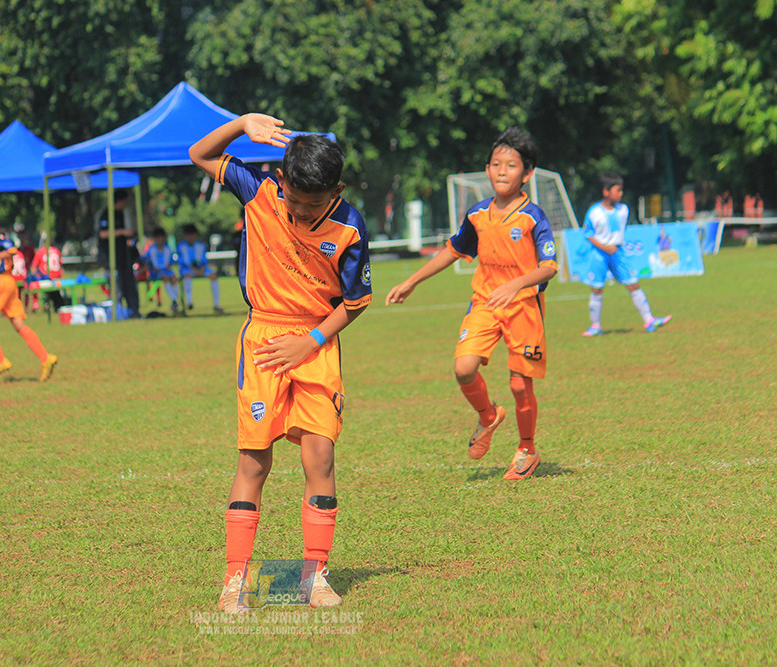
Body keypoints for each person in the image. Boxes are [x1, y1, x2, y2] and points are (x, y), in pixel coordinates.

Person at [190, 114, 372, 612]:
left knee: (321, 456)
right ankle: (235, 582)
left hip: (316, 343)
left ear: (335, 191)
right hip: (264, 341)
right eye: (293, 197)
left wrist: (310, 340)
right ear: (283, 180)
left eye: (313, 203)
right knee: (255, 459)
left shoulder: (351, 225)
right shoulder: (260, 191)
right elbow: (200, 155)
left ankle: (315, 576)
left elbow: (355, 302)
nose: (298, 209)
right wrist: (240, 123)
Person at [386, 127, 558, 482]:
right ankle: (488, 416)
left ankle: (527, 449)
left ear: (527, 174)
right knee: (463, 368)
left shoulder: (533, 217)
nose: (501, 171)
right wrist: (411, 281)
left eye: (510, 166)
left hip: (524, 305)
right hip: (484, 303)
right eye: (495, 164)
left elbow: (549, 266)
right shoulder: (478, 214)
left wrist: (517, 284)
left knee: (519, 385)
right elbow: (452, 250)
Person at [0, 202, 58, 382]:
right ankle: (46, 358)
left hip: (0, 282)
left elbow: (11, 249)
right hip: (9, 283)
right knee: (19, 324)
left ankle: (0, 360)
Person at [580, 173, 672, 336]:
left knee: (633, 284)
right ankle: (595, 326)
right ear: (606, 191)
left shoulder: (623, 210)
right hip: (600, 254)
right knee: (597, 288)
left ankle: (649, 320)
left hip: (617, 253)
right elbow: (588, 234)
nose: (621, 194)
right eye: (618, 190)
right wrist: (604, 246)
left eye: (621, 190)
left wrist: (613, 246)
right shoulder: (594, 212)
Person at [97, 191, 141, 318]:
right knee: (117, 289)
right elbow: (102, 234)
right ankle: (117, 314)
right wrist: (122, 232)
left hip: (124, 259)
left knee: (130, 287)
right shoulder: (106, 215)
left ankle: (134, 311)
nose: (125, 205)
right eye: (124, 202)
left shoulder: (122, 214)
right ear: (118, 201)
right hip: (110, 259)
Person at [177, 223, 223, 314]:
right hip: (187, 269)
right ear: (185, 236)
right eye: (188, 235)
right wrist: (195, 270)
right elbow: (183, 262)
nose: (190, 237)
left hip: (202, 268)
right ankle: (189, 302)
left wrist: (201, 269)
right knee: (187, 276)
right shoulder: (181, 246)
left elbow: (203, 260)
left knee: (213, 276)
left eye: (192, 234)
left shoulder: (201, 245)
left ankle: (216, 304)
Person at [144, 226, 180, 315]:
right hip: (155, 273)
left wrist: (168, 266)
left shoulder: (167, 249)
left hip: (166, 272)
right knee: (165, 278)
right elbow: (149, 262)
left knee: (174, 278)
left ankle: (174, 300)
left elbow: (170, 262)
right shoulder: (151, 249)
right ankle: (174, 300)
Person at [30, 239, 65, 310]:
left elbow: (34, 266)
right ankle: (56, 305)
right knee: (55, 293)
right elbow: (61, 267)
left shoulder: (41, 252)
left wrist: (33, 277)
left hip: (46, 277)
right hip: (56, 277)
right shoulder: (56, 251)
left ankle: (48, 304)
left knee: (51, 293)